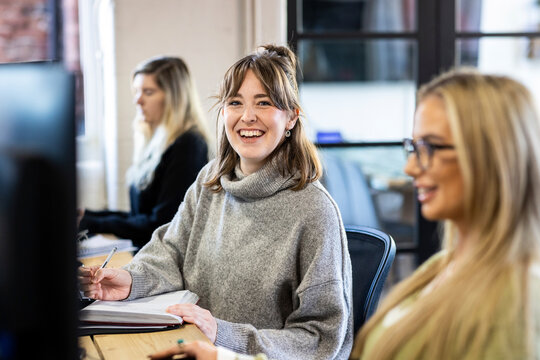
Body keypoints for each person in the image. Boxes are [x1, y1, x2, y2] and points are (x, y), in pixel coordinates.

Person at [79, 44, 353, 359]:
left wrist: (223, 335)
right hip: (191, 348)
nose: (247, 116)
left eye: (263, 103)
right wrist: (130, 280)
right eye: (235, 102)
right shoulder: (211, 181)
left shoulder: (314, 211)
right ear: (223, 111)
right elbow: (171, 252)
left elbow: (320, 339)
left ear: (291, 117)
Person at [350, 69, 540, 359]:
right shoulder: (441, 266)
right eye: (413, 147)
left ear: (489, 155)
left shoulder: (514, 302)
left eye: (430, 147)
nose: (411, 168)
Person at [78, 56, 209, 248]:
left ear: (173, 98)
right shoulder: (158, 142)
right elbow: (140, 217)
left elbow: (161, 224)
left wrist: (93, 223)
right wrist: (88, 215)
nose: (137, 100)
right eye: (136, 92)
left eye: (148, 92)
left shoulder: (189, 145)